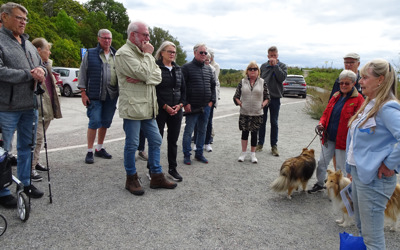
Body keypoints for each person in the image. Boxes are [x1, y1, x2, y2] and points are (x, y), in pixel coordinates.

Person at [115, 21, 177, 196]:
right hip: (134, 108)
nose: (148, 38)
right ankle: (131, 178)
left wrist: (144, 76)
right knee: (133, 144)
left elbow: (158, 77)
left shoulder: (142, 54)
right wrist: (149, 58)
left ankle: (156, 175)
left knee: (156, 140)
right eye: (145, 35)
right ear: (133, 35)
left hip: (148, 108)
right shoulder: (123, 54)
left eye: (148, 35)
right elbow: (145, 73)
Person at [346, 59, 399, 249]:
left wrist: (390, 164)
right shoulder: (370, 104)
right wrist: (350, 168)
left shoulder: (387, 107)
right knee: (362, 230)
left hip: (375, 180)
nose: (360, 81)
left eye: (365, 78)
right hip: (361, 175)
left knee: (373, 239)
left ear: (380, 80)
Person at [0, 2, 46, 207]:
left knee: (26, 146)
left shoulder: (27, 43)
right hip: (6, 106)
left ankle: (26, 183)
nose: (23, 22)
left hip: (30, 105)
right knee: (2, 150)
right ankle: (1, 190)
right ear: (4, 17)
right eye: (19, 18)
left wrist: (41, 71)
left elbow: (40, 64)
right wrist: (29, 74)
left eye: (25, 19)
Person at [308, 70, 364, 193]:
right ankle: (319, 183)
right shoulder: (335, 96)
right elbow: (326, 113)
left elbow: (359, 122)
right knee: (321, 163)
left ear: (353, 83)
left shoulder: (359, 99)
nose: (343, 85)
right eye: (341, 83)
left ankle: (340, 190)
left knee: (340, 167)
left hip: (343, 141)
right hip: (328, 137)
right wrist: (321, 123)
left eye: (347, 83)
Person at [78, 29, 118, 164]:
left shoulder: (116, 55)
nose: (107, 41)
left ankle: (99, 148)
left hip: (111, 95)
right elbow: (82, 73)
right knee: (94, 122)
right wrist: (83, 93)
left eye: (109, 38)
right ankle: (89, 151)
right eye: (104, 38)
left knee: (105, 122)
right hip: (94, 94)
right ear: (98, 38)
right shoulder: (90, 53)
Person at [31, 37, 62, 181]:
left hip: (48, 108)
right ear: (38, 50)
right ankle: (30, 168)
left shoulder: (46, 65)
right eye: (47, 50)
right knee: (35, 139)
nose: (49, 53)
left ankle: (35, 162)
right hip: (37, 108)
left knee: (40, 138)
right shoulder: (32, 65)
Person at [154, 41, 186, 182]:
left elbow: (184, 90)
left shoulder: (178, 69)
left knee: (173, 141)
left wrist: (180, 105)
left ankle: (172, 169)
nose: (172, 54)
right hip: (161, 110)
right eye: (169, 51)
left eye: (174, 52)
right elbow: (154, 90)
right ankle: (153, 169)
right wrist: (165, 106)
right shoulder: (156, 68)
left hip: (176, 110)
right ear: (162, 53)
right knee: (156, 140)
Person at [181, 43, 216, 165]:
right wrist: (185, 103)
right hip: (192, 106)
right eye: (201, 52)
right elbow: (182, 87)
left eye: (205, 53)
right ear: (195, 53)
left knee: (202, 130)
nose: (203, 55)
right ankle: (187, 154)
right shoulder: (186, 68)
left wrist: (212, 101)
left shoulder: (208, 69)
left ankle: (199, 153)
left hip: (206, 106)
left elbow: (213, 86)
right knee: (189, 131)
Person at [233, 62, 270, 163]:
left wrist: (262, 105)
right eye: (250, 69)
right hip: (244, 112)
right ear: (247, 71)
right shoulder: (242, 82)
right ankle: (243, 153)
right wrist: (240, 103)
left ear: (258, 71)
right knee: (244, 133)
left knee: (254, 134)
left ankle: (253, 154)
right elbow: (236, 96)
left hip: (257, 113)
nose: (252, 71)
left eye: (255, 69)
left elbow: (267, 97)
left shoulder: (262, 82)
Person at [256, 46, 287, 156]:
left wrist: (275, 66)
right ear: (268, 55)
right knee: (262, 122)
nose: (273, 57)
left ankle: (274, 146)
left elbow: (281, 78)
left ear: (277, 55)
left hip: (275, 98)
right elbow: (260, 80)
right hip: (263, 98)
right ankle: (260, 143)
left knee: (274, 122)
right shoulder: (264, 66)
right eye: (271, 55)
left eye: (275, 55)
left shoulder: (282, 66)